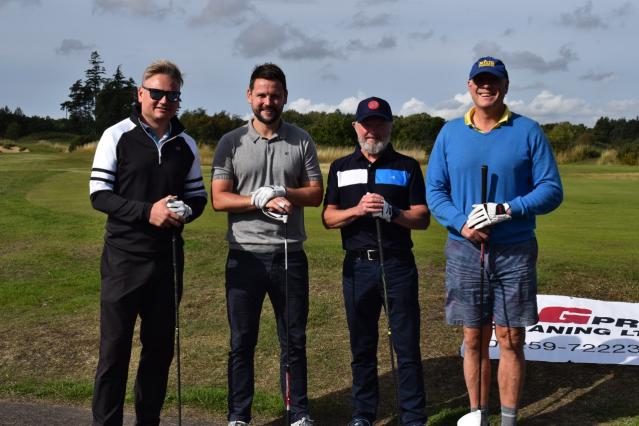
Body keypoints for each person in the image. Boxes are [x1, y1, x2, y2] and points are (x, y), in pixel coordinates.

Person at [426, 57, 563, 426]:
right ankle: (477, 416)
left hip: (515, 249)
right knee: (473, 339)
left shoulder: (528, 130)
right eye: (479, 81)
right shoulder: (450, 133)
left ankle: (508, 420)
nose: (486, 87)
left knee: (511, 338)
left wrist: (507, 208)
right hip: (464, 249)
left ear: (505, 85)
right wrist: (462, 223)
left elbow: (551, 190)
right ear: (470, 86)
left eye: (493, 81)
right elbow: (435, 191)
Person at [89, 59, 208, 426]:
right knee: (114, 351)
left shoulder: (185, 143)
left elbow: (198, 198)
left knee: (158, 351)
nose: (164, 100)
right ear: (141, 94)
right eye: (156, 93)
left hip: (167, 259)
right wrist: (147, 212)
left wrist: (184, 211)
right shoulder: (116, 134)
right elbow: (99, 194)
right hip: (123, 259)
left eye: (173, 95)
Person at [211, 63, 323, 426]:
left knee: (293, 341)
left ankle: (298, 413)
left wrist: (283, 191)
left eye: (274, 95)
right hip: (243, 256)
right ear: (249, 96)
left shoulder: (301, 139)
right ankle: (238, 416)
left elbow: (316, 193)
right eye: (261, 94)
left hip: (290, 254)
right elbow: (219, 199)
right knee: (242, 342)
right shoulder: (231, 142)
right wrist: (257, 199)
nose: (268, 101)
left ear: (285, 97)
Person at [322, 97, 430, 426]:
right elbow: (328, 217)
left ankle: (413, 417)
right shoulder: (340, 167)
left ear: (390, 127)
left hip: (397, 265)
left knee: (407, 344)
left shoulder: (406, 166)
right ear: (356, 127)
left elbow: (422, 218)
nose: (373, 131)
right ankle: (363, 414)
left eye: (380, 124)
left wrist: (393, 213)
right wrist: (357, 211)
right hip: (357, 266)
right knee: (362, 345)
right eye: (367, 125)